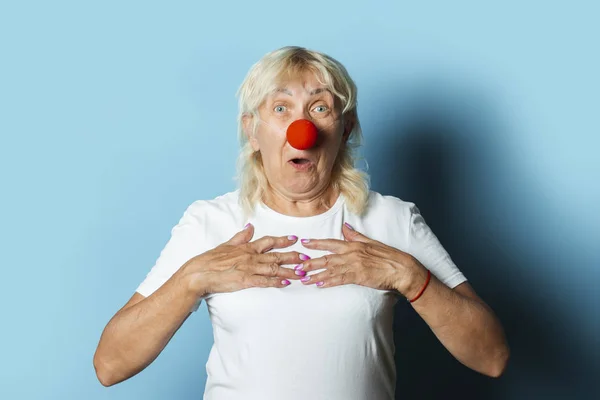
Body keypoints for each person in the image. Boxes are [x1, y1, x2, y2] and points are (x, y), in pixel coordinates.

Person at [93, 46, 509, 399]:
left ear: (345, 129)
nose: (301, 128)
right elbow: (110, 365)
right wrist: (191, 278)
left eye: (320, 107)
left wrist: (409, 275)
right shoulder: (211, 222)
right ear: (252, 132)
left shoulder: (390, 219)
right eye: (280, 107)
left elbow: (492, 357)